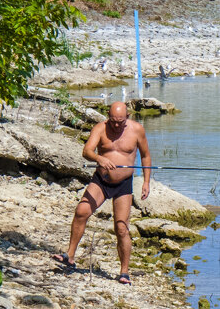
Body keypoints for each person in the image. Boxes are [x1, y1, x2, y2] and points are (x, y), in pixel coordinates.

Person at [52, 101, 150, 283]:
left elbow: (145, 156)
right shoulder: (100, 128)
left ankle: (124, 272)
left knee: (121, 228)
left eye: (120, 121)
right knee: (81, 211)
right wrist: (99, 158)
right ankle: (70, 256)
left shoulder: (137, 130)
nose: (116, 124)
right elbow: (86, 151)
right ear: (108, 116)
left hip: (124, 184)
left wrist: (146, 181)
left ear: (127, 117)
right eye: (113, 120)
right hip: (101, 180)